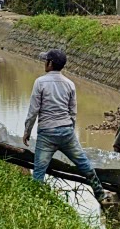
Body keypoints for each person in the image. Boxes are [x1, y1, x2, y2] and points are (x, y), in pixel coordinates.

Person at [23, 49, 107, 202]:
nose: (44, 63)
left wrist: (27, 131)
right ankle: (100, 194)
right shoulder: (70, 84)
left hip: (47, 133)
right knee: (84, 164)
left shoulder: (40, 82)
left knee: (39, 170)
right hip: (66, 131)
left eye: (45, 61)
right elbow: (72, 112)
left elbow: (33, 111)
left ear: (50, 64)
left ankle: (36, 200)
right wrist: (69, 130)